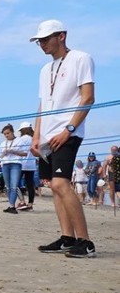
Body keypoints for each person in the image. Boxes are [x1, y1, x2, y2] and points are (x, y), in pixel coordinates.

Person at [29, 20, 96, 258]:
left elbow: (87, 98)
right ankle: (67, 237)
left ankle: (85, 241)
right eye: (39, 41)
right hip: (46, 136)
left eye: (46, 39)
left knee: (60, 183)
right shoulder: (44, 70)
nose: (42, 44)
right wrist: (36, 136)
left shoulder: (81, 58)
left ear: (62, 36)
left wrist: (68, 129)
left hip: (67, 132)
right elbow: (42, 105)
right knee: (54, 186)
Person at [0, 124, 26, 214]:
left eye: (8, 133)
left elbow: (25, 153)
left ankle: (12, 206)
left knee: (14, 185)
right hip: (5, 164)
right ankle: (11, 204)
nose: (6, 135)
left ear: (12, 132)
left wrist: (13, 151)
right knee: (8, 186)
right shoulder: (3, 143)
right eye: (5, 134)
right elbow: (0, 156)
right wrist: (4, 153)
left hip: (16, 164)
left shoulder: (19, 141)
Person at [16, 122, 37, 211]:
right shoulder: (34, 139)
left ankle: (22, 201)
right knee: (30, 185)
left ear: (23, 130)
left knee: (15, 183)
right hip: (31, 165)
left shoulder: (22, 139)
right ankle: (30, 204)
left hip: (22, 164)